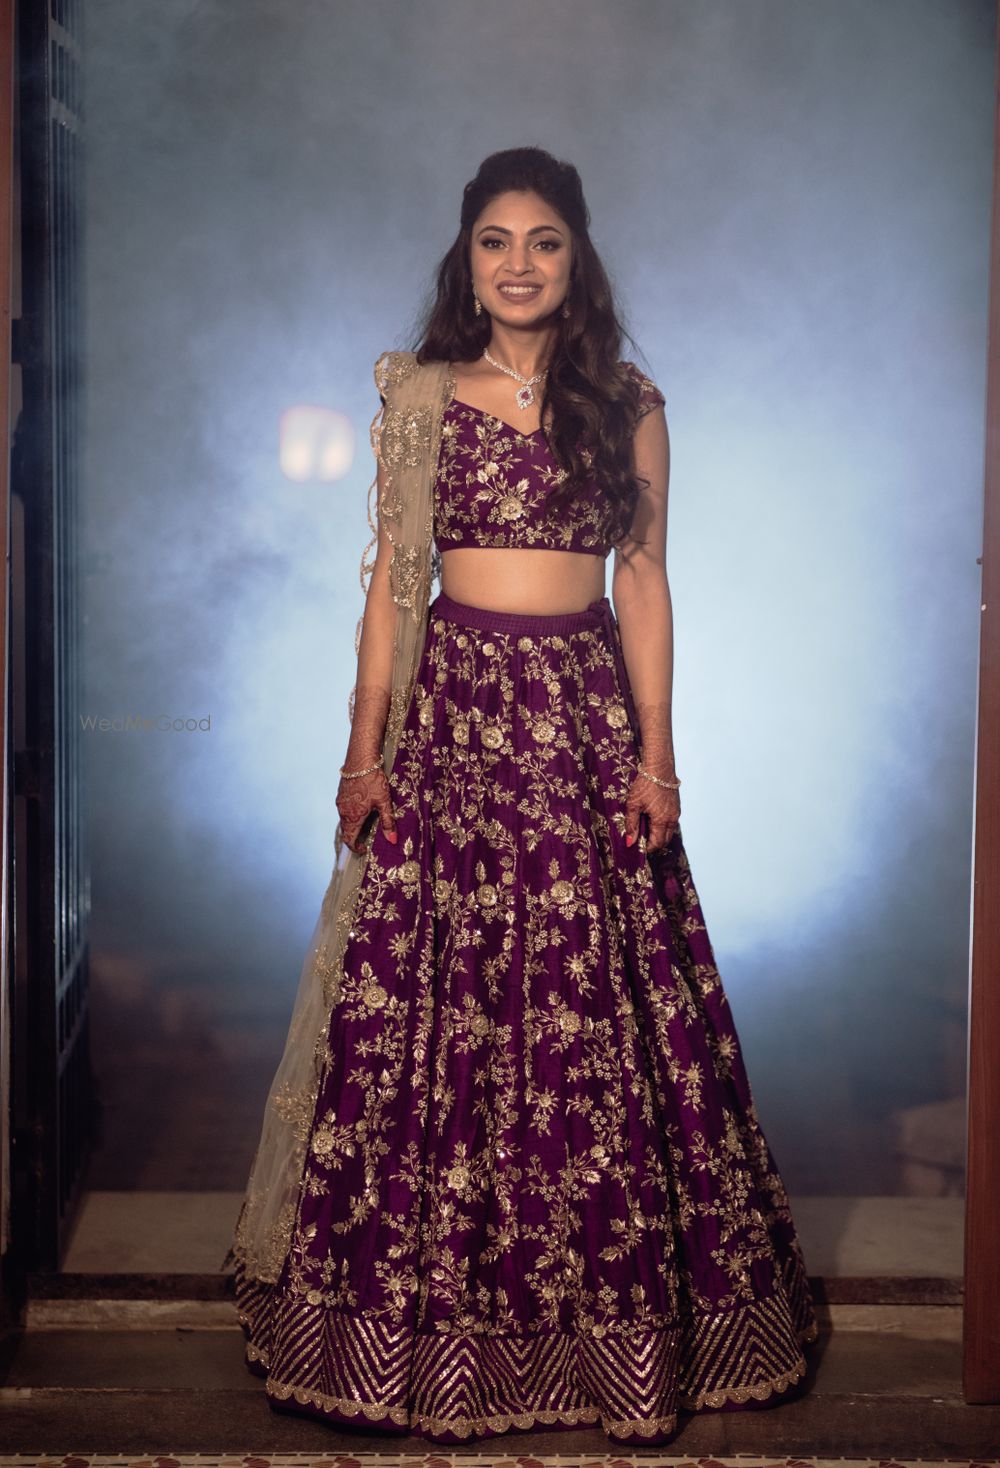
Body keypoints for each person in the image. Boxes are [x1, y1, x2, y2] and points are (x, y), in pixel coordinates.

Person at [229, 146, 819, 1445]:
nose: (518, 264)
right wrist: (362, 746)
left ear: (579, 255)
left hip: (579, 725)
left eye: (543, 240)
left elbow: (646, 585)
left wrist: (660, 760)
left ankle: (609, 1346)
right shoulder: (420, 398)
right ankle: (419, 1344)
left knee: (588, 1025)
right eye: (495, 240)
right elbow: (393, 587)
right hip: (452, 728)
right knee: (432, 1023)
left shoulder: (629, 399)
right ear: (466, 257)